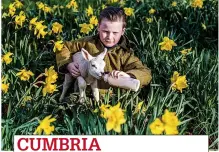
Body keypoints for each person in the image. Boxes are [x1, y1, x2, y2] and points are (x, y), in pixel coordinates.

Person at [56, 6, 152, 96]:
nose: (109, 37)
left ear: (122, 31)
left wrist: (128, 75)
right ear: (98, 27)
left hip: (110, 97)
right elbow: (62, 46)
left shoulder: (124, 54)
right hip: (85, 92)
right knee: (71, 104)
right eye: (105, 31)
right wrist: (68, 64)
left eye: (115, 33)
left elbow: (145, 73)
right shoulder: (88, 43)